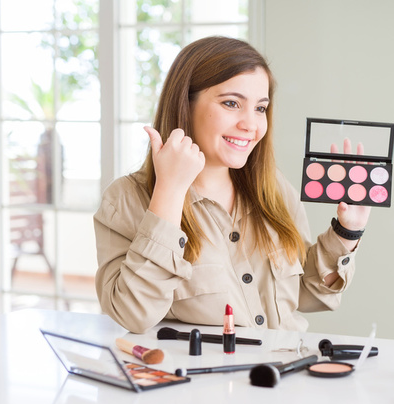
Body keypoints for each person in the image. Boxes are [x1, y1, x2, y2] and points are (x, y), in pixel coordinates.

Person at [94, 36, 370, 334]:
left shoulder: (273, 188)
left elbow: (307, 293)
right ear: (185, 104)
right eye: (231, 103)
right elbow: (133, 314)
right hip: (201, 377)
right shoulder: (127, 199)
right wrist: (170, 191)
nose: (251, 125)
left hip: (284, 371)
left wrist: (346, 232)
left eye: (260, 108)